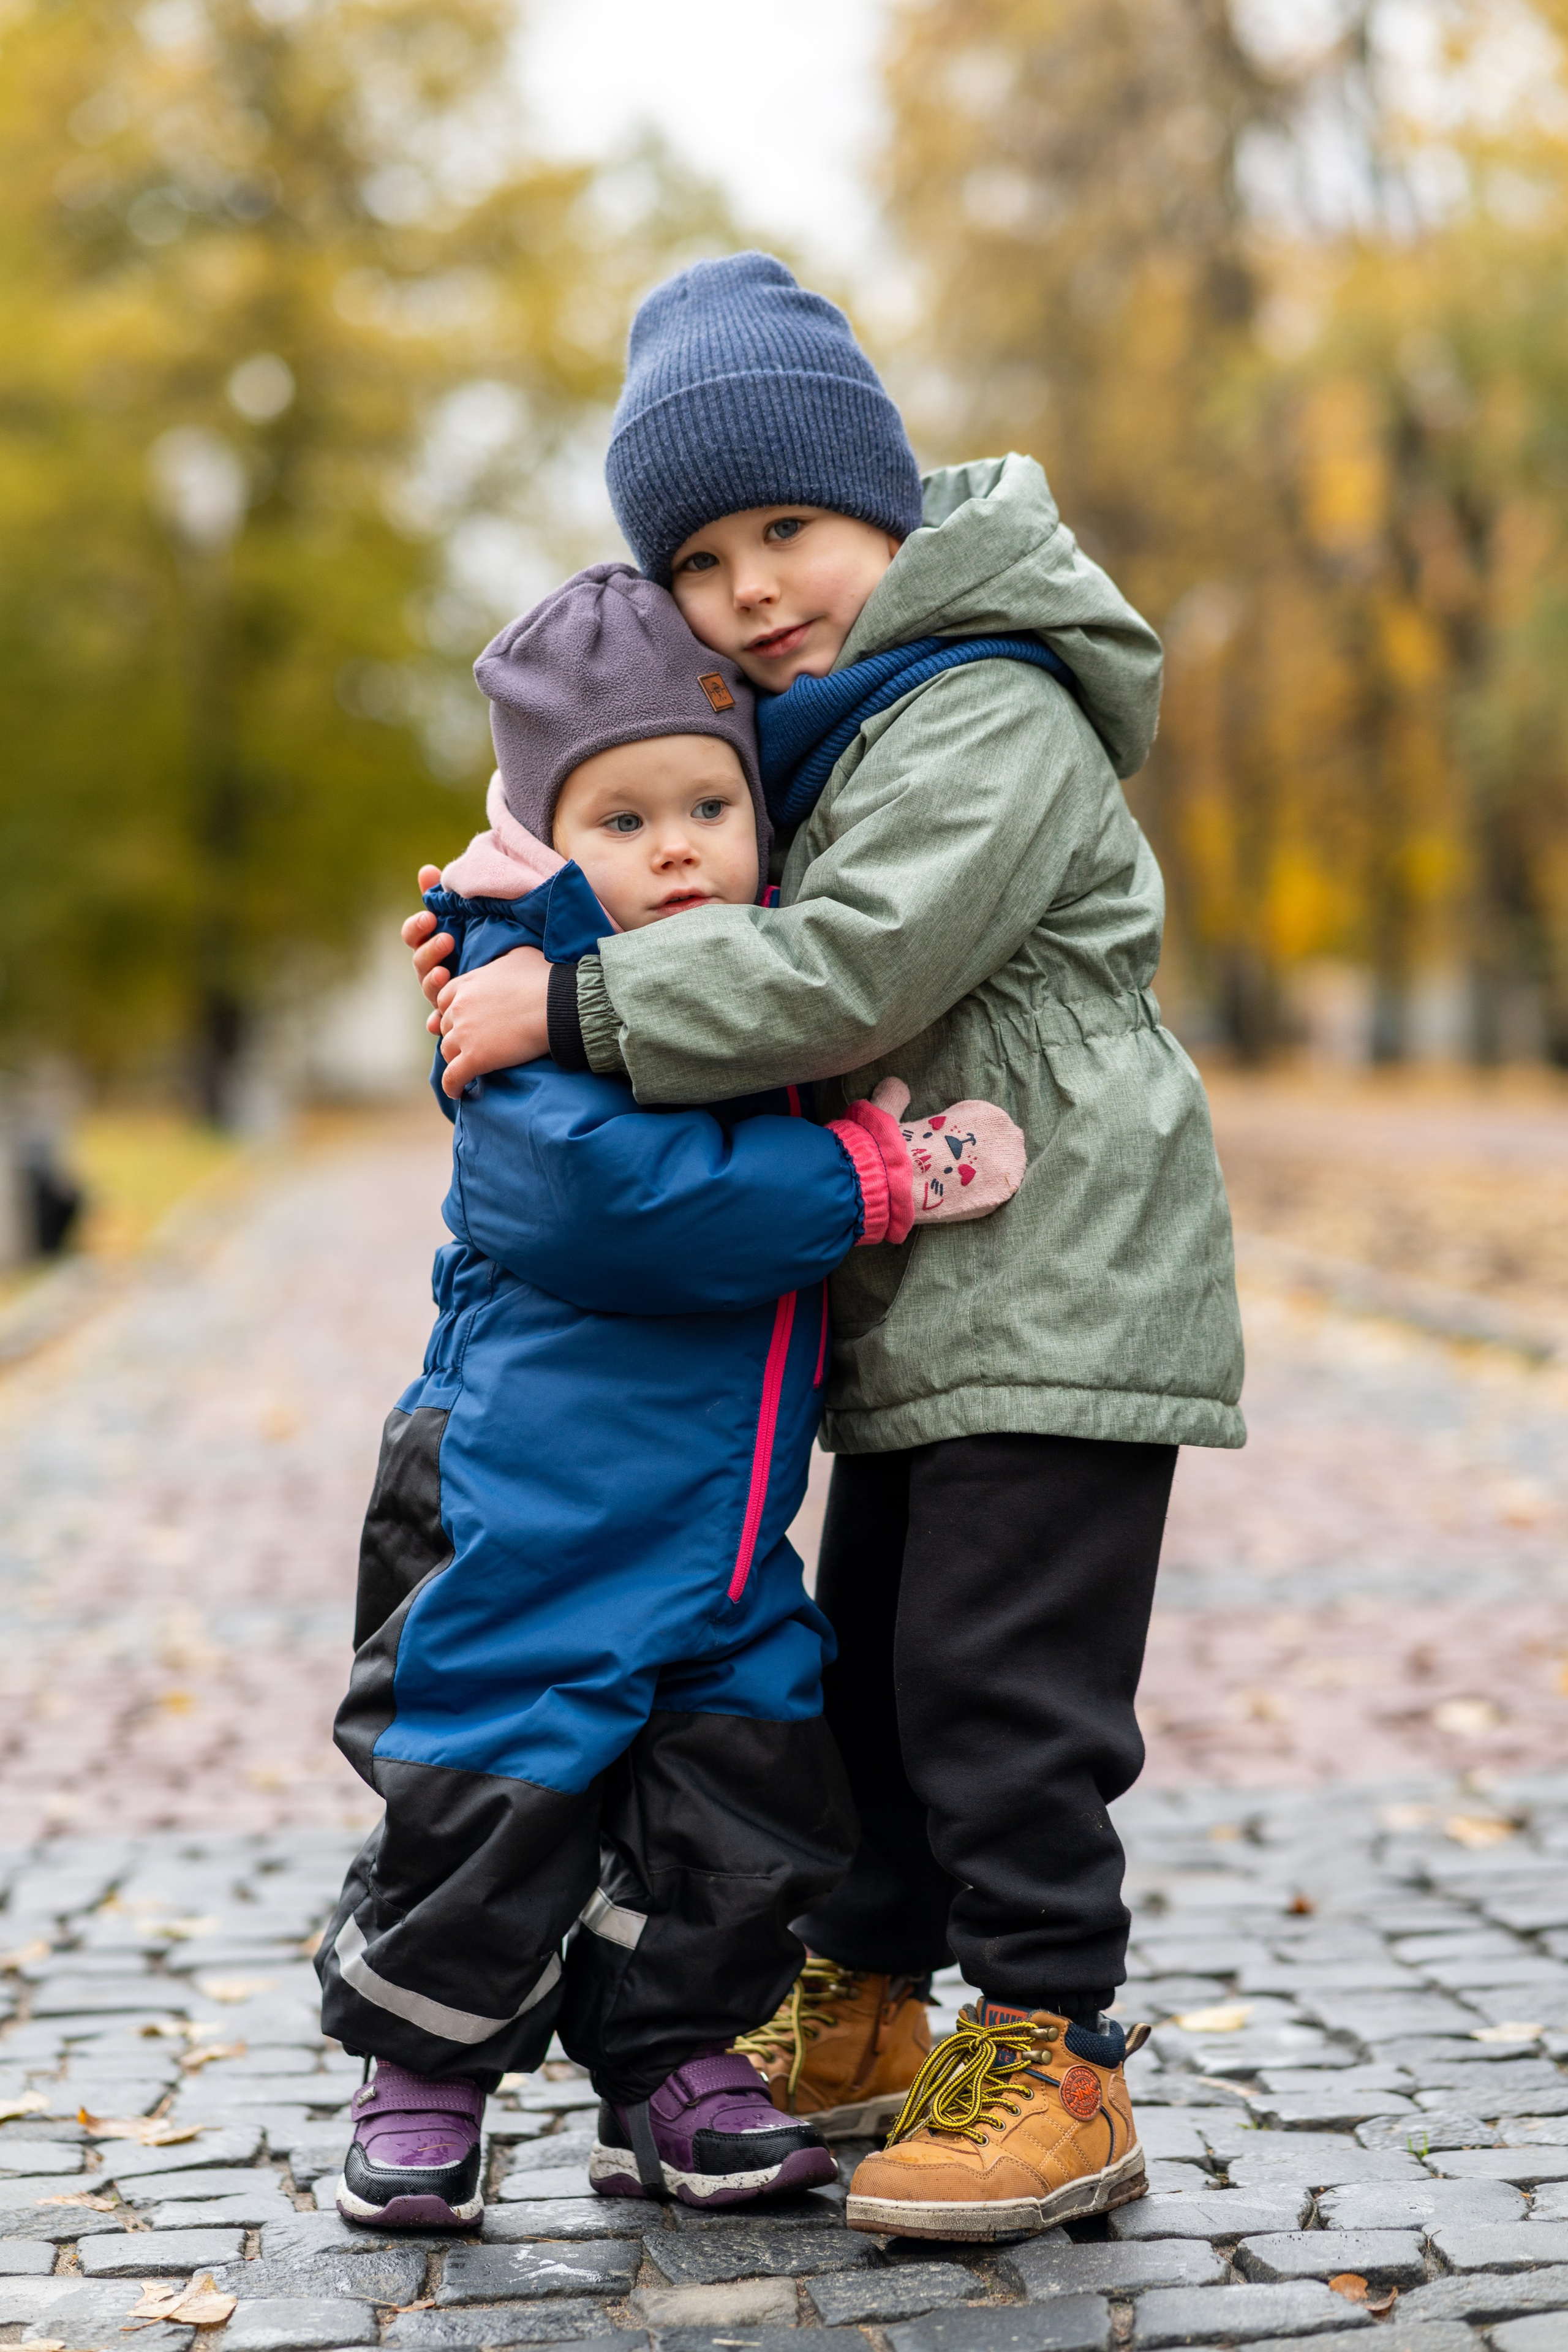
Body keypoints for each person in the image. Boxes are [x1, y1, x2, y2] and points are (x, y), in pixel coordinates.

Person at [403, 254, 1246, 2241]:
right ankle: (864, 2010)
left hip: (1058, 1270)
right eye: (701, 560)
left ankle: (1057, 2046)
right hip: (918, 1305)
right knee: (864, 1677)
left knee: (1001, 1693)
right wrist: (518, 937)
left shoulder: (987, 707)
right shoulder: (827, 727)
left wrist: (579, 1015)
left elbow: (848, 970)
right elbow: (674, 869)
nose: (753, 587)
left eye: (788, 527)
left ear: (886, 499)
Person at [318, 561, 1025, 2231]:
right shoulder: (513, 1021)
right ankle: (424, 2063)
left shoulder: (751, 992)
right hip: (523, 1510)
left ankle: (673, 2058)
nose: (680, 846)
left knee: (753, 1795)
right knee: (495, 1785)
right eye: (623, 821)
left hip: (721, 1537)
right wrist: (868, 1178)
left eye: (710, 802)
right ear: (543, 848)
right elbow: (631, 1211)